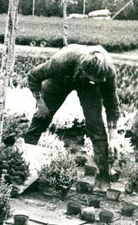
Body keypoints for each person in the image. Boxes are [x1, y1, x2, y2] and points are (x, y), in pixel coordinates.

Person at [23, 43, 120, 188]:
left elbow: (112, 104)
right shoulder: (63, 60)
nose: (103, 82)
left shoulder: (107, 73)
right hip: (61, 79)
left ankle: (103, 176)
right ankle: (24, 165)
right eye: (97, 79)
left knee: (96, 127)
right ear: (83, 71)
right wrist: (41, 103)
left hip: (89, 88)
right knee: (41, 119)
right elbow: (33, 76)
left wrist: (113, 138)